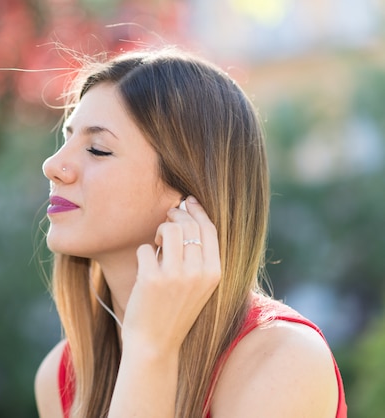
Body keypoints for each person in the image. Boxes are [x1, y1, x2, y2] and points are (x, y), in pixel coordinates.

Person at [34, 47, 347, 418]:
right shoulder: (61, 376)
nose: (53, 165)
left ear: (191, 192)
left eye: (98, 149)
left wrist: (152, 350)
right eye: (66, 139)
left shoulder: (284, 361)